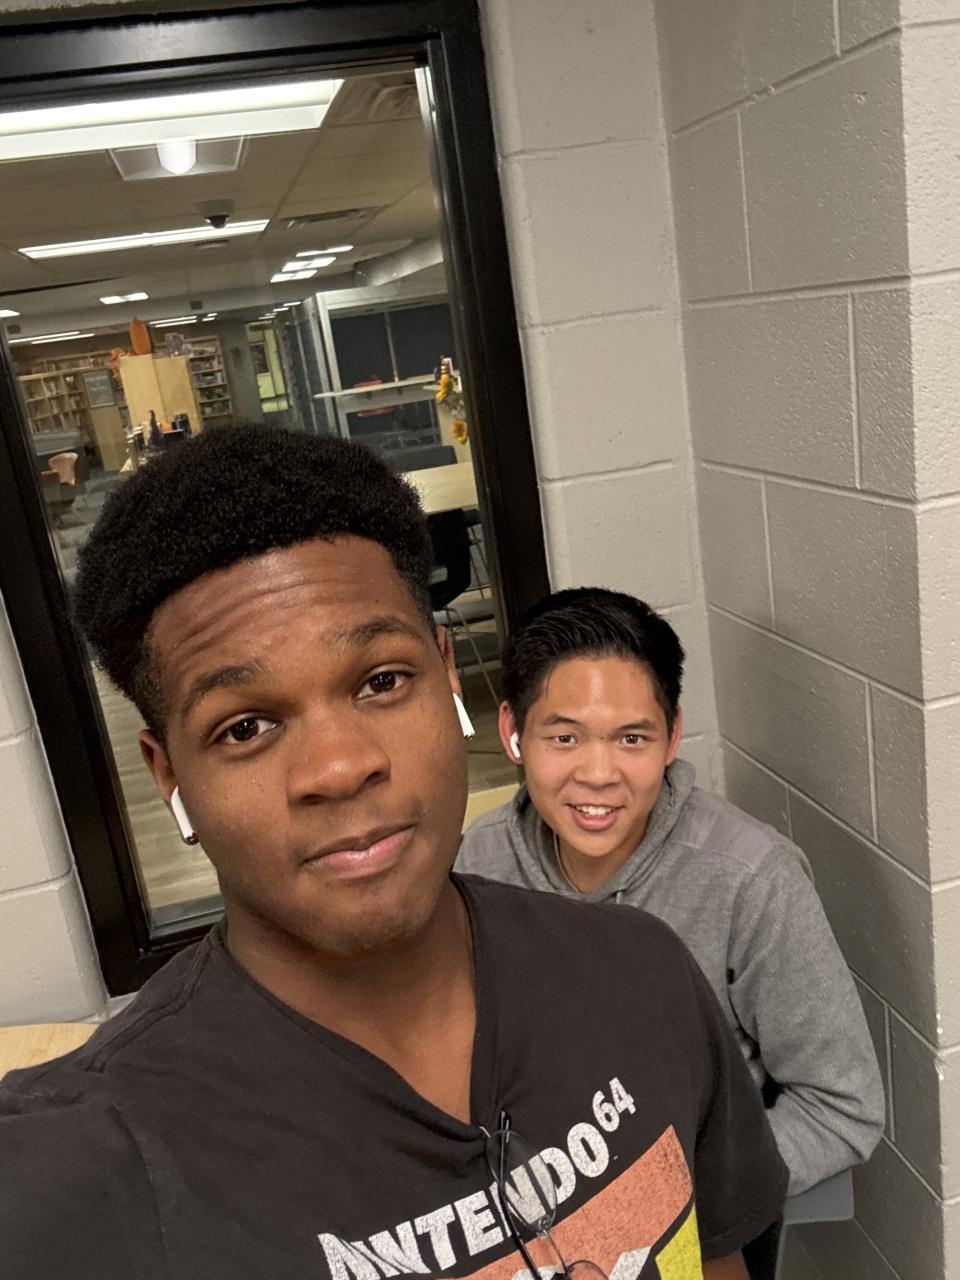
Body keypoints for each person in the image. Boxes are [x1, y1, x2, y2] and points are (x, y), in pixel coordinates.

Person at [0, 428, 786, 1280]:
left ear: (448, 676)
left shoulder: (641, 975)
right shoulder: (86, 1170)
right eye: (246, 727)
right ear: (170, 775)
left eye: (381, 681)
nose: (340, 767)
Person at [456, 588, 885, 1272]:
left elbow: (844, 1107)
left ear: (672, 735)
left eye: (632, 738)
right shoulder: (479, 861)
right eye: (564, 738)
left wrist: (666, 1202)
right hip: (524, 1217)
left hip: (689, 1222)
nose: (599, 776)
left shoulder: (751, 878)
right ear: (512, 731)